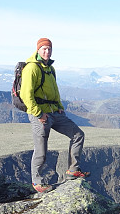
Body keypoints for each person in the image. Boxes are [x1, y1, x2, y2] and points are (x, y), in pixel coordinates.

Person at [20, 37, 89, 193]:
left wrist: (59, 106)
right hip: (40, 114)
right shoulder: (32, 68)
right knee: (41, 150)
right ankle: (37, 182)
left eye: (49, 49)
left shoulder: (51, 69)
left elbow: (55, 90)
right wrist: (39, 114)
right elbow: (26, 95)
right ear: (38, 50)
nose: (47, 51)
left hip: (54, 112)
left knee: (78, 134)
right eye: (44, 48)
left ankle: (73, 170)